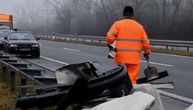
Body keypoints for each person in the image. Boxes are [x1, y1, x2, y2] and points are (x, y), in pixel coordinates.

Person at [106, 6, 151, 84]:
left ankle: (122, 93)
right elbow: (146, 42)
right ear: (132, 15)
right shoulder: (139, 27)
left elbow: (109, 38)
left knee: (121, 78)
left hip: (121, 58)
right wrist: (147, 52)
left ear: (124, 14)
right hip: (134, 59)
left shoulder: (117, 24)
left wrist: (112, 44)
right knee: (132, 80)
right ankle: (131, 93)